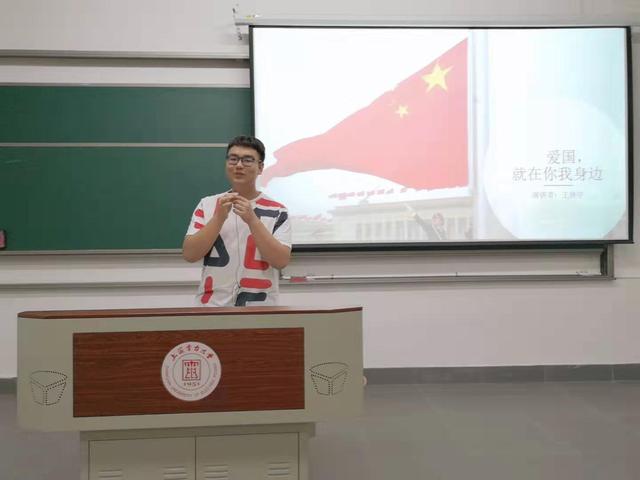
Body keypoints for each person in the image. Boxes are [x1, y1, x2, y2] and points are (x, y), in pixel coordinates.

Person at [182, 135, 292, 306]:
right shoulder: (207, 204)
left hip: (261, 309)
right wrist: (218, 218)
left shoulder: (277, 211)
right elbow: (190, 254)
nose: (239, 165)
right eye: (233, 159)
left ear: (260, 167)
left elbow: (280, 261)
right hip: (212, 306)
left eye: (247, 160)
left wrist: (252, 220)